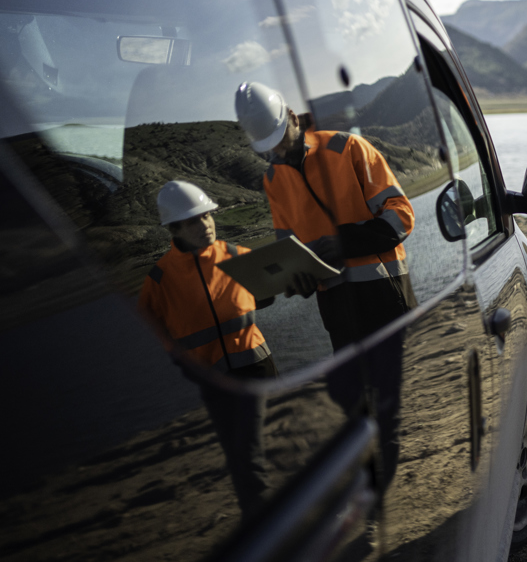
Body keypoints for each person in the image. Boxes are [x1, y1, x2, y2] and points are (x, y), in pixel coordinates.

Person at [233, 82, 417, 352]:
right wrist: (298, 280)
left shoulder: (348, 147)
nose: (280, 152)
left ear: (293, 118)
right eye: (270, 147)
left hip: (387, 296)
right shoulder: (273, 180)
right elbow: (291, 252)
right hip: (337, 313)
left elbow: (402, 215)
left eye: (281, 139)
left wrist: (347, 243)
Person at [137, 180, 277, 514]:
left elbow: (267, 293)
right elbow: (148, 330)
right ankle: (260, 520)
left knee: (258, 449)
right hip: (215, 384)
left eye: (208, 216)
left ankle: (271, 522)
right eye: (194, 220)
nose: (206, 225)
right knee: (241, 455)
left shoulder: (236, 256)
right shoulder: (159, 281)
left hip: (258, 369)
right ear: (174, 228)